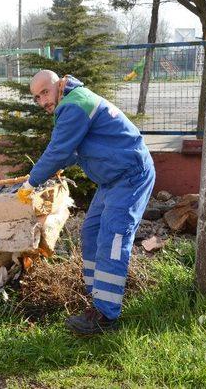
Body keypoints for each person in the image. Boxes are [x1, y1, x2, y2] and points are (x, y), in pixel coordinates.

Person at [17, 70, 155, 335]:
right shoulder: (71, 101)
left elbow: (58, 150)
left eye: (45, 92)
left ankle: (106, 316)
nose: (42, 102)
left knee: (112, 239)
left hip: (130, 175)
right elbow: (78, 147)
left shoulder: (74, 105)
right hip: (112, 179)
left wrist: (31, 182)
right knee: (90, 233)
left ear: (58, 84)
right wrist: (55, 168)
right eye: (36, 98)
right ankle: (98, 299)